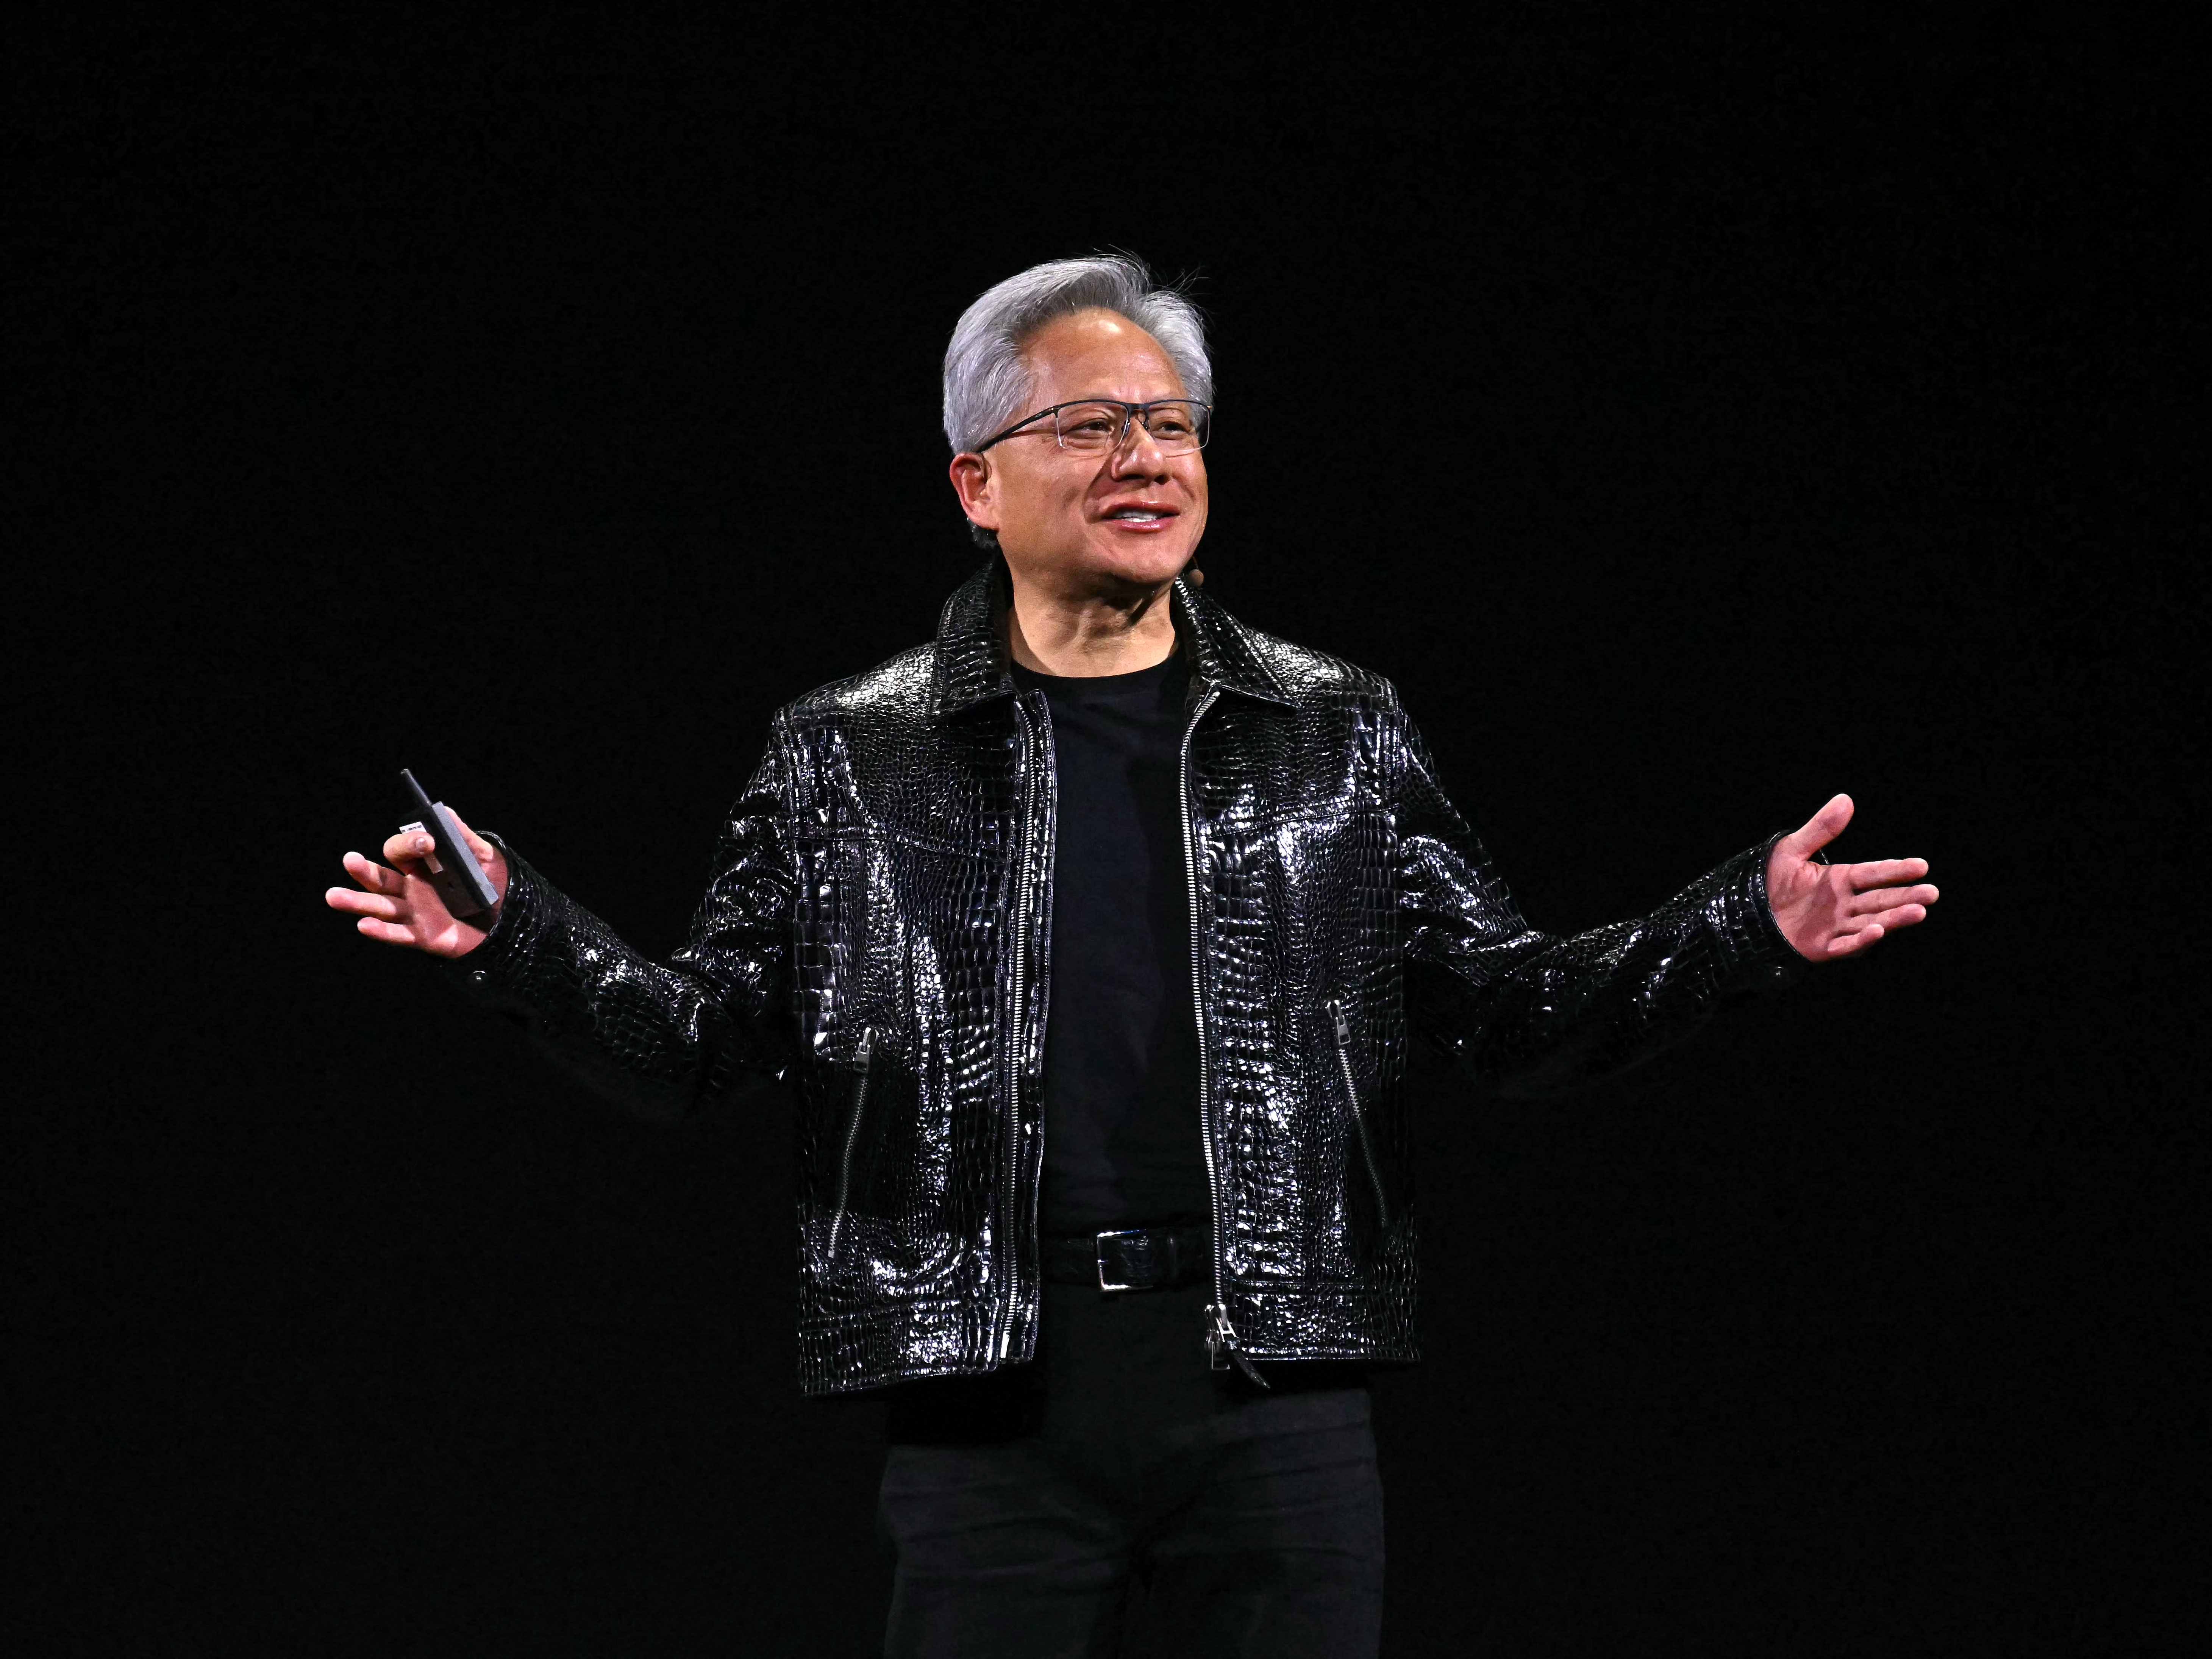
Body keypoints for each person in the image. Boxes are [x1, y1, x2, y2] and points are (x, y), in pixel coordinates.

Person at [326, 254, 1938, 1657]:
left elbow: (1505, 1010)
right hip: (988, 1396)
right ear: (976, 480)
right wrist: (516, 937)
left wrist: (1740, 929)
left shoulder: (1333, 729)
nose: (1143, 456)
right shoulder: (850, 751)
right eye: (1089, 426)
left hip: (1271, 1389)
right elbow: (703, 1042)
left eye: (1169, 424)